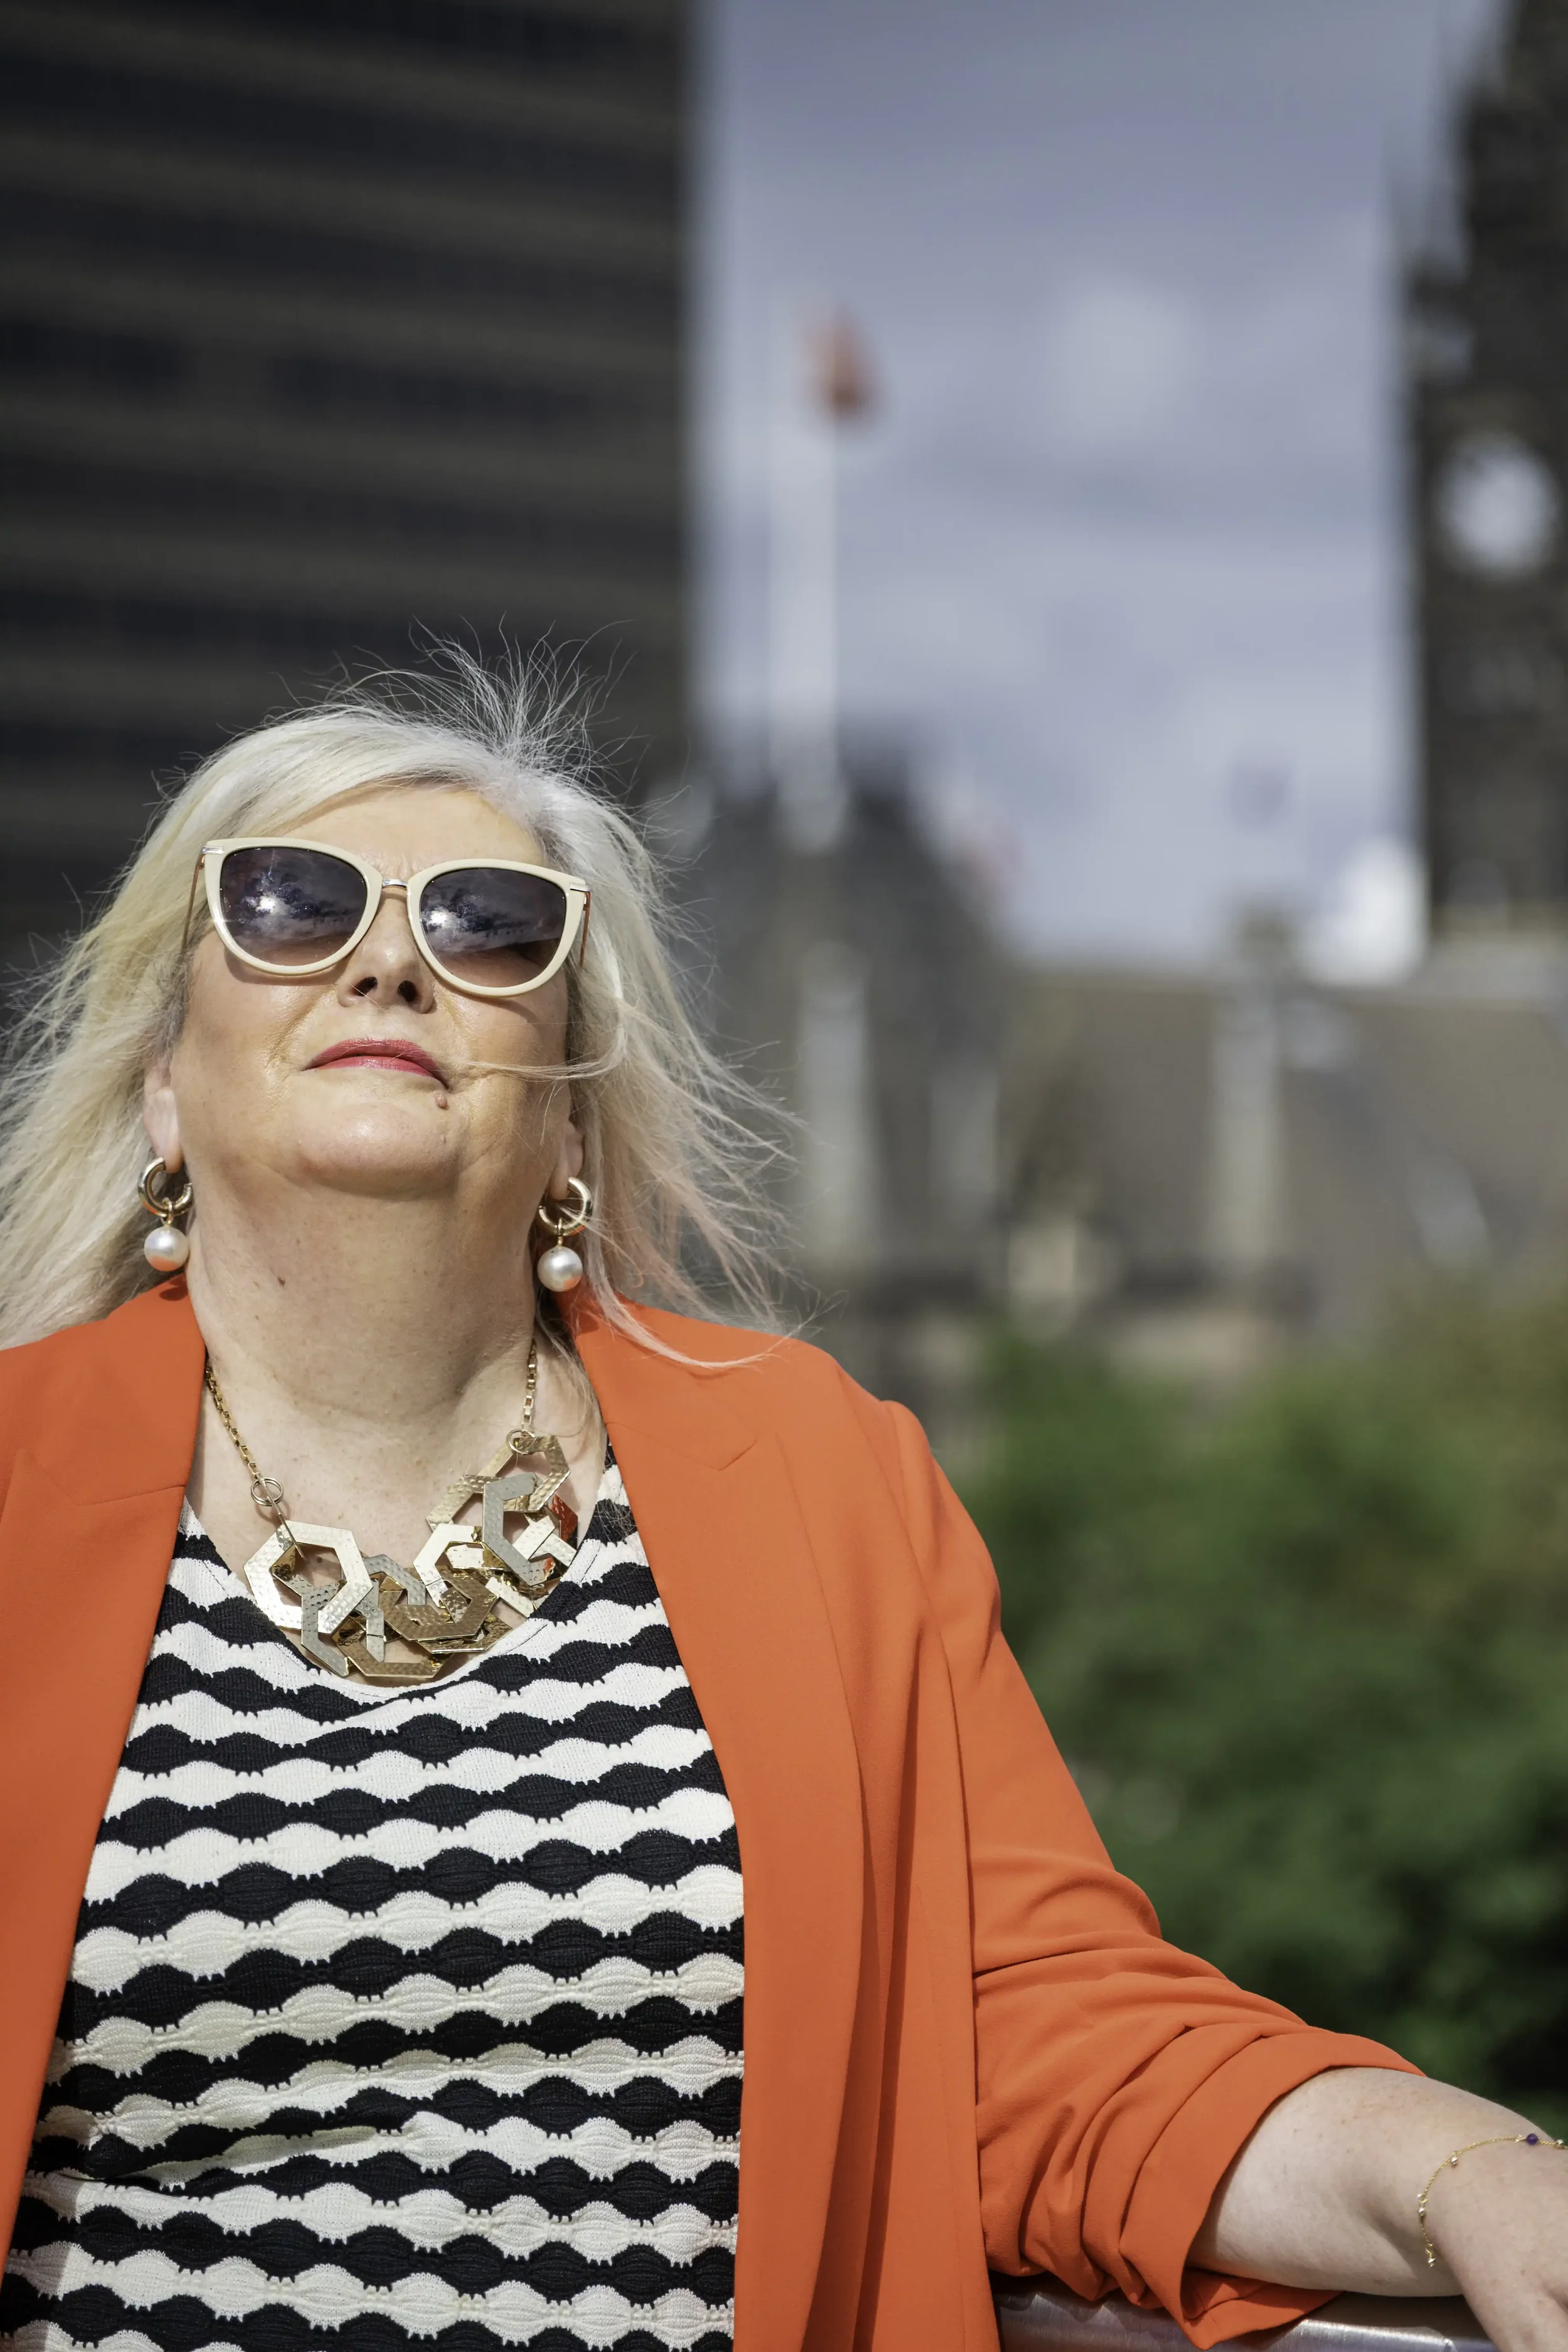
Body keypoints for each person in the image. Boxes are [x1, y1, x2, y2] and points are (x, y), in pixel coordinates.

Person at [0, 669, 1562, 2352]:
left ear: (573, 1113)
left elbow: (1037, 2032)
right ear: (165, 1075)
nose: (390, 959)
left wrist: (1460, 2165)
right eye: (290, 904)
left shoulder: (813, 1469)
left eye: (492, 925)